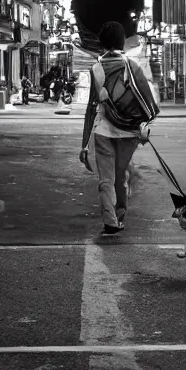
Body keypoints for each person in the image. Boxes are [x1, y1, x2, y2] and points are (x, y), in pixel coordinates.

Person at [79, 21, 158, 235]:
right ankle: (119, 213)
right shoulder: (132, 66)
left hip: (103, 132)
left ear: (101, 43)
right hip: (128, 133)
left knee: (106, 179)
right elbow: (148, 102)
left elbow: (91, 109)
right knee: (121, 175)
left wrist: (84, 143)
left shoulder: (96, 68)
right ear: (122, 41)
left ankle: (110, 220)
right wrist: (142, 126)